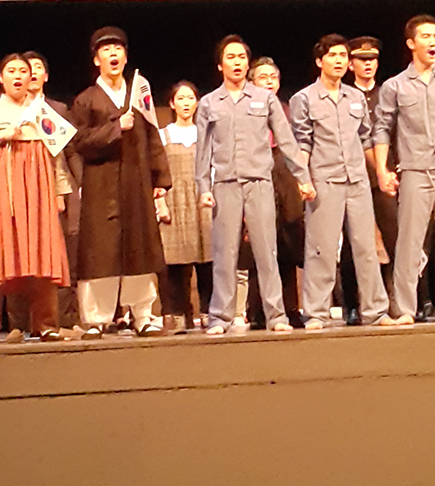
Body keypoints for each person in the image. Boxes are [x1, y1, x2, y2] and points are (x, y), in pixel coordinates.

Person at [195, 35, 314, 335]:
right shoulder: (209, 103)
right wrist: (203, 188)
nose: (237, 62)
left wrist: (303, 178)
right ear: (220, 65)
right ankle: (220, 317)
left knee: (266, 251)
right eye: (231, 57)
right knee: (225, 253)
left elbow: (286, 141)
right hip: (225, 184)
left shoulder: (265, 99)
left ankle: (276, 315)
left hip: (259, 182)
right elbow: (203, 151)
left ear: (247, 64)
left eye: (241, 57)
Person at [69, 27, 171, 338]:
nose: (113, 54)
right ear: (96, 59)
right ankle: (96, 319)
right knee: (100, 252)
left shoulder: (138, 95)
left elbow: (153, 136)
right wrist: (116, 128)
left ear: (125, 57)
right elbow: (79, 141)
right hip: (101, 185)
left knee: (139, 250)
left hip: (135, 182)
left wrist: (160, 179)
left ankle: (143, 316)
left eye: (118, 49)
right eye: (106, 50)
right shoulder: (86, 99)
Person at [290, 34, 392, 329]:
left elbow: (366, 138)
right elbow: (302, 143)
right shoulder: (304, 99)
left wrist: (381, 171)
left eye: (343, 56)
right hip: (324, 180)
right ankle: (316, 313)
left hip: (357, 180)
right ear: (319, 61)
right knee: (321, 249)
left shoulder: (355, 97)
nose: (339, 61)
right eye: (332, 55)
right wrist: (303, 178)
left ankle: (376, 311)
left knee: (366, 248)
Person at [0, 54, 71, 345]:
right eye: (11, 71)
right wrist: (1, 137)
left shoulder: (43, 112)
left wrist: (60, 191)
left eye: (23, 71)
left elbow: (57, 156)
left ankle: (46, 324)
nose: (18, 76)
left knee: (42, 248)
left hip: (38, 189)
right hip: (2, 188)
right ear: (1, 78)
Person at [374, 14, 435, 324]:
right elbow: (382, 129)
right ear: (411, 43)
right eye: (426, 37)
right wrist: (382, 171)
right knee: (410, 241)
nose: (433, 42)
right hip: (416, 170)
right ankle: (404, 308)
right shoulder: (395, 86)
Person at [340, 37, 399, 321]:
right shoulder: (345, 95)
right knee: (354, 243)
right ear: (351, 64)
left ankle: (399, 301)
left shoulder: (387, 93)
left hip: (388, 177)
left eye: (372, 59)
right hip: (355, 177)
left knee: (395, 238)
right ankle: (353, 305)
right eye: (362, 60)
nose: (368, 64)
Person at [247, 57, 305, 329]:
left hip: (285, 173)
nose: (269, 82)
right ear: (251, 83)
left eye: (273, 77)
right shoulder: (246, 110)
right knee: (259, 245)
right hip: (257, 172)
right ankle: (258, 310)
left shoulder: (287, 111)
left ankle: (290, 308)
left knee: (288, 244)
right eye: (263, 77)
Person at [157, 81, 212, 333]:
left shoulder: (206, 134)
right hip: (173, 200)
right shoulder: (163, 135)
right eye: (180, 98)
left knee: (207, 259)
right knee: (176, 262)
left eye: (190, 98)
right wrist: (160, 204)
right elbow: (156, 174)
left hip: (202, 198)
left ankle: (208, 311)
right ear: (172, 104)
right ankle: (179, 313)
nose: (186, 103)